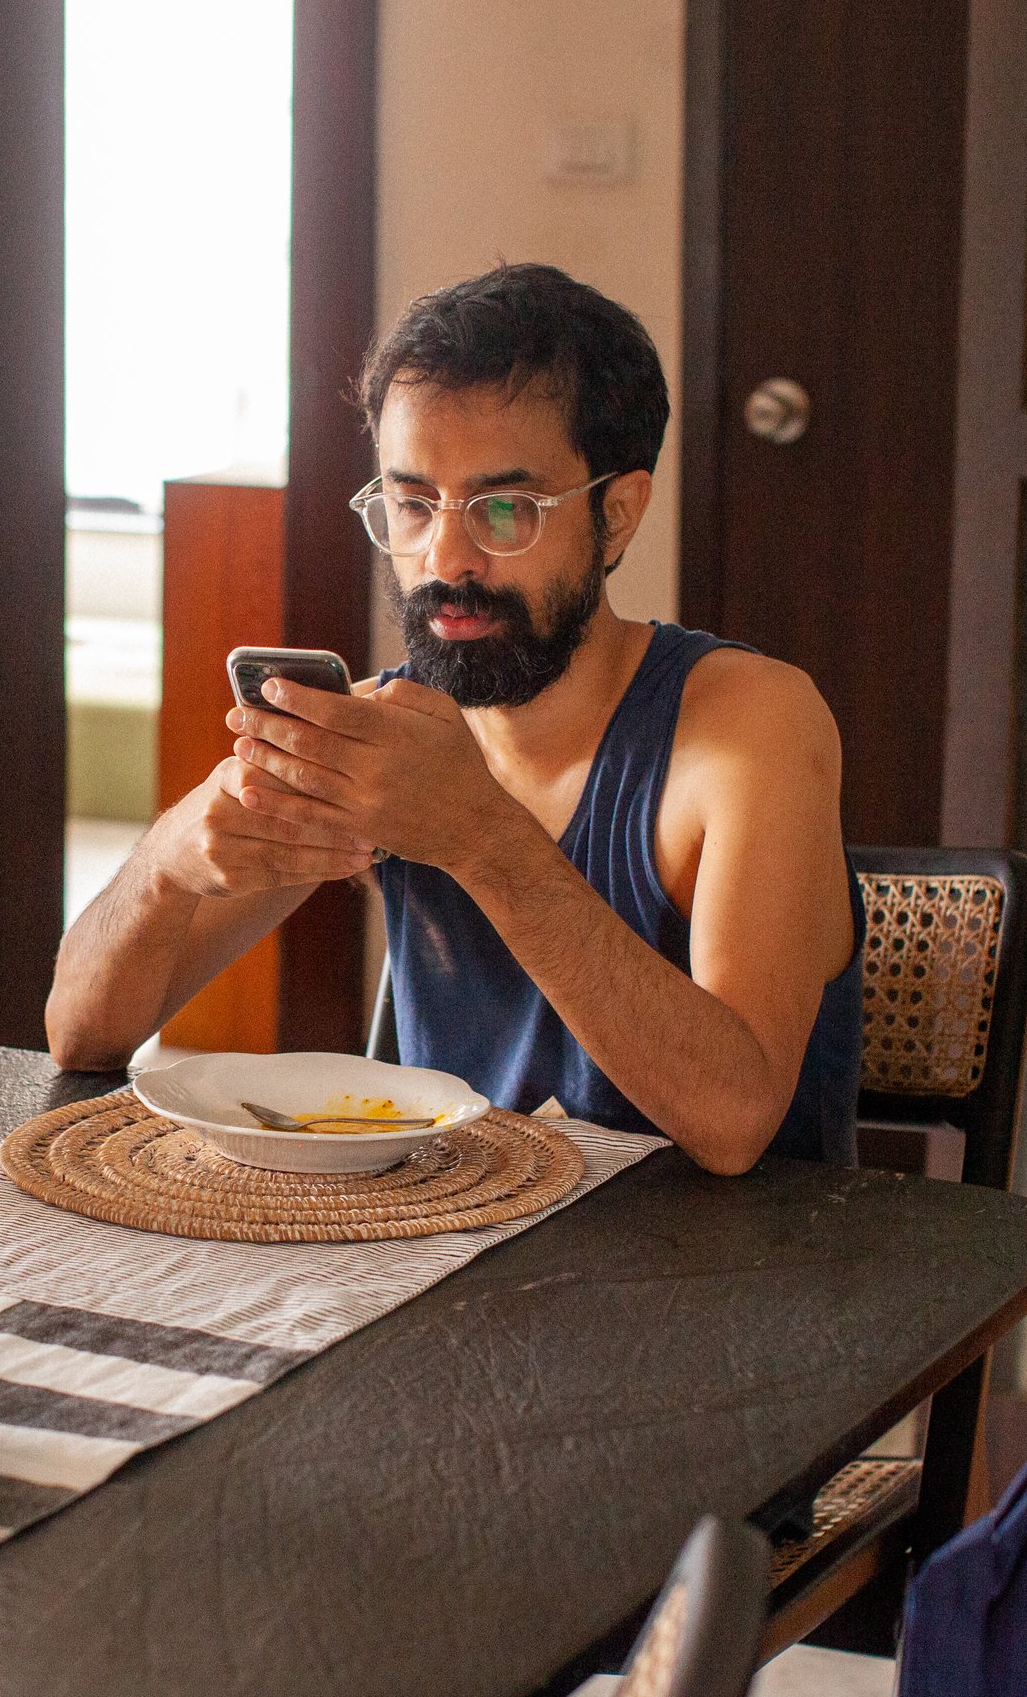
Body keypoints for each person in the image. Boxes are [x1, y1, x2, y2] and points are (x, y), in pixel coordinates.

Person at [47, 263, 863, 1174]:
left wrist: (480, 838)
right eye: (412, 502)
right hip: (445, 1266)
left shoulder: (753, 726)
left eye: (504, 509)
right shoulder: (385, 740)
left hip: (735, 1287)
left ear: (618, 514)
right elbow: (80, 1036)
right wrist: (165, 864)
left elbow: (736, 1119)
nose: (445, 557)